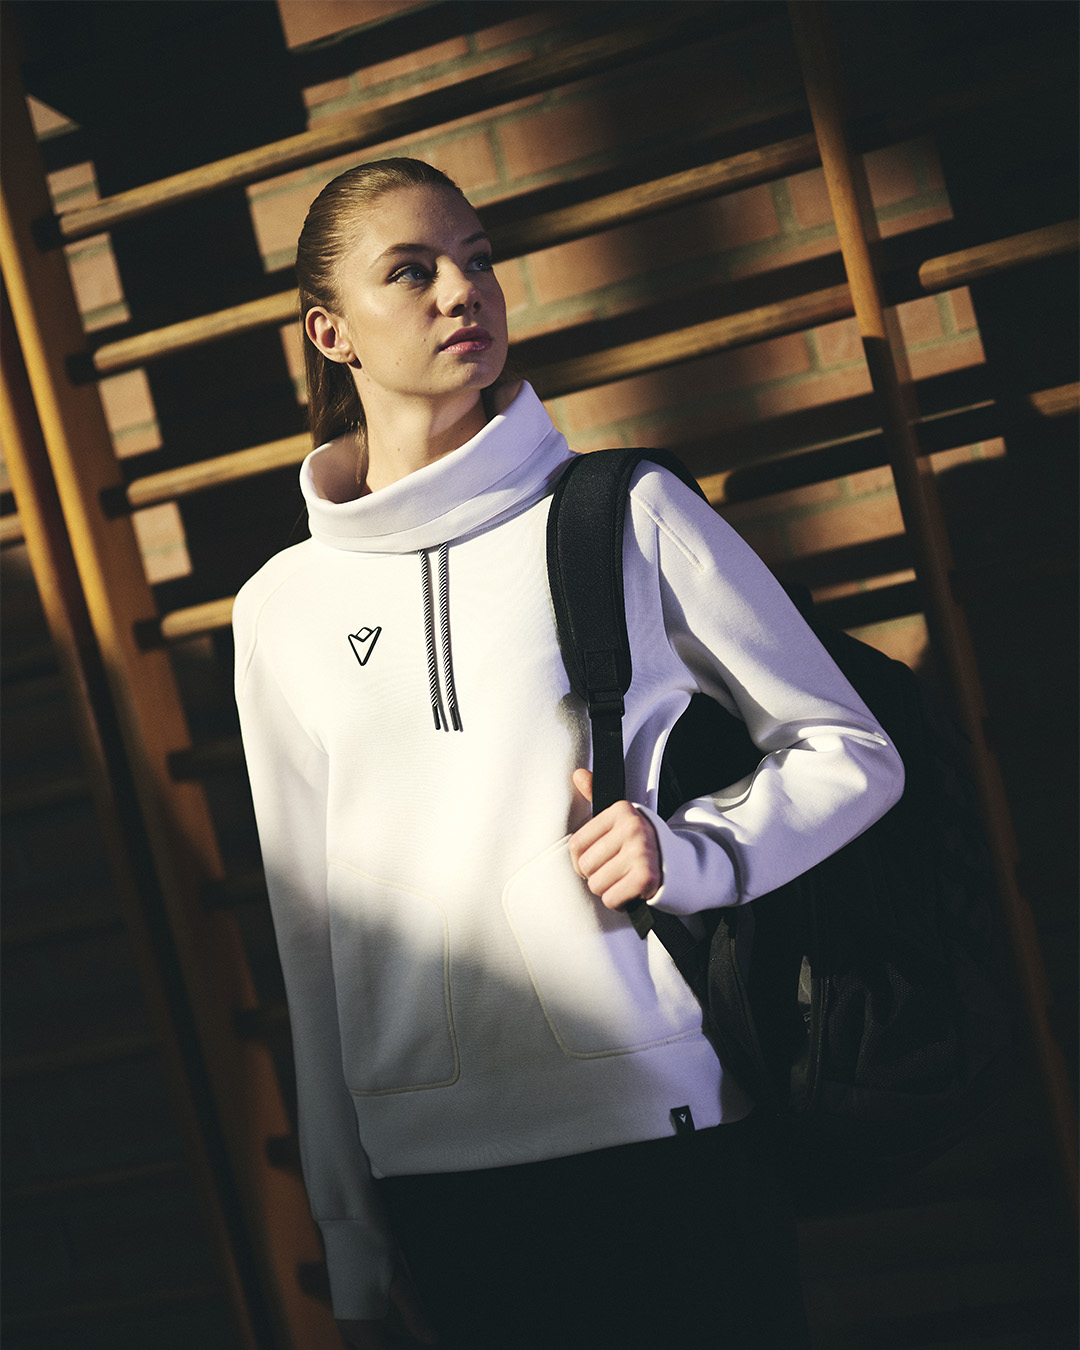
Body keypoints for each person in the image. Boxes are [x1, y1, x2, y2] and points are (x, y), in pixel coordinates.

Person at [233, 157, 904, 1349]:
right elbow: (309, 939)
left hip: (663, 1135)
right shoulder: (279, 609)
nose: (463, 291)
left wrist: (690, 855)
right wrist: (351, 1247)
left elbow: (851, 749)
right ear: (329, 331)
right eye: (412, 271)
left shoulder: (621, 513)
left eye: (478, 260)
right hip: (437, 1180)